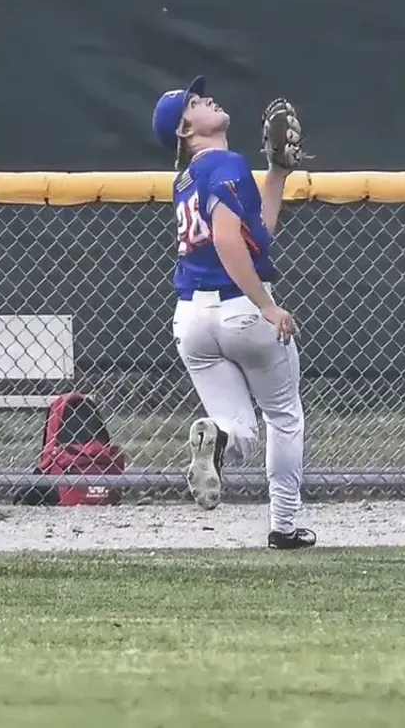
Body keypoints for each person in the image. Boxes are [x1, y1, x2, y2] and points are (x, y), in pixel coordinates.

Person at [152, 75, 316, 550]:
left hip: (192, 321)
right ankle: (284, 526)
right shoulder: (225, 162)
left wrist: (277, 174)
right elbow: (227, 240)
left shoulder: (186, 178)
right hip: (242, 308)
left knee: (237, 427)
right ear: (186, 129)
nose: (207, 99)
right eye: (195, 102)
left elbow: (256, 232)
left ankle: (216, 439)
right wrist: (268, 306)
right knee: (284, 417)